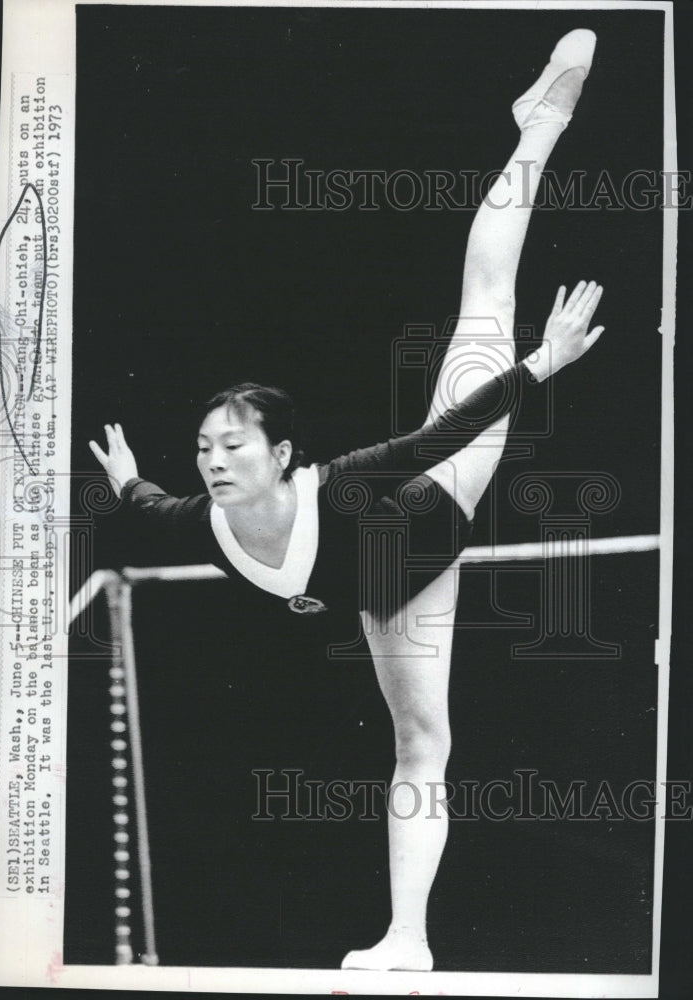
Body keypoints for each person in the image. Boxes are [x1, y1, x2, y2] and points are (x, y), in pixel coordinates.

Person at [89, 28, 603, 971]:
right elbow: (144, 504)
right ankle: (406, 940)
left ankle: (535, 132)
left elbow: (437, 440)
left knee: (484, 295)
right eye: (203, 448)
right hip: (387, 590)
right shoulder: (204, 524)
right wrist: (124, 478)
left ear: (282, 455)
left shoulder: (340, 480)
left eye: (232, 445)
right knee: (417, 745)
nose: (211, 461)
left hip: (436, 500)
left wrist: (541, 364)